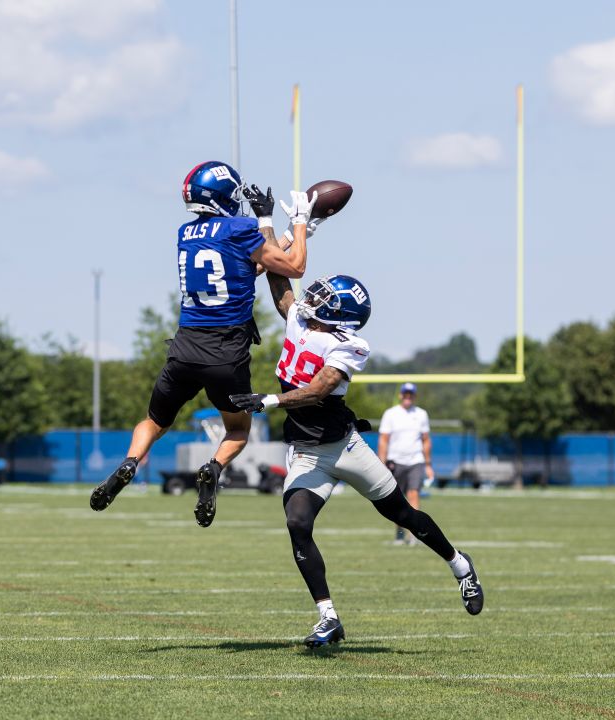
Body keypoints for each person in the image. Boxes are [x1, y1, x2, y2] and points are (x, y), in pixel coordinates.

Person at [230, 273, 483, 648]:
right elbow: (278, 279)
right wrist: (278, 221)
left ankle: (459, 564)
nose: (315, 295)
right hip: (306, 451)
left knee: (402, 513)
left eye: (327, 296)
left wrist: (271, 401)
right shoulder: (301, 317)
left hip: (345, 447)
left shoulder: (351, 345)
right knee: (297, 523)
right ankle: (329, 618)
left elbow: (320, 389)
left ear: (341, 313)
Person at [90, 161, 316, 528]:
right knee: (238, 430)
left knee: (153, 420)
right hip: (226, 352)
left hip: (184, 347)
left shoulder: (185, 233)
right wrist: (300, 222)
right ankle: (213, 468)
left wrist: (283, 233)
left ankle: (131, 462)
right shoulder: (241, 228)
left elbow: (248, 265)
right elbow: (293, 266)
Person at [378, 382, 434, 545]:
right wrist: (382, 463)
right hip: (395, 461)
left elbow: (425, 440)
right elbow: (384, 440)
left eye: (411, 394)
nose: (408, 397)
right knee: (397, 500)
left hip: (415, 461)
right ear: (400, 395)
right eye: (405, 394)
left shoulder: (421, 414)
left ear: (415, 396)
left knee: (414, 494)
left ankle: (414, 535)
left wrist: (428, 464)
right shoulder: (391, 414)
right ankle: (400, 533)